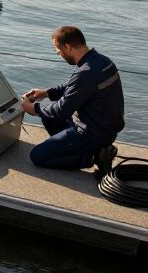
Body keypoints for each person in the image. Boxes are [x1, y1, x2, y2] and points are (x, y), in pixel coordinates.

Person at [21, 26, 125, 174]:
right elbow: (76, 89)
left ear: (67, 47)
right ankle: (87, 150)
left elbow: (61, 111)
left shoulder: (86, 72)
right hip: (103, 127)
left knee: (37, 156)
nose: (58, 54)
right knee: (48, 117)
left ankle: (92, 157)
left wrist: (33, 109)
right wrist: (46, 92)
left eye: (58, 50)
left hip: (92, 133)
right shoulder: (100, 61)